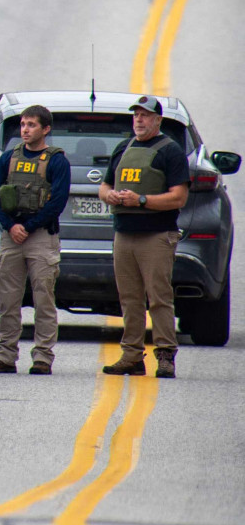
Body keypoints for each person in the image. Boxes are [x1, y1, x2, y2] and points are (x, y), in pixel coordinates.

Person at [100, 95, 190, 379]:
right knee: (129, 298)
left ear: (157, 120)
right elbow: (104, 186)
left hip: (156, 235)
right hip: (124, 234)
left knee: (159, 298)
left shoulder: (170, 151)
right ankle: (131, 356)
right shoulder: (123, 148)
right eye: (136, 115)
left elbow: (179, 197)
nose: (139, 120)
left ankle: (165, 356)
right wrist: (110, 195)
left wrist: (140, 200)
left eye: (145, 115)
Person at [0, 105, 71, 375]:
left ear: (45, 129)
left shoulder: (57, 161)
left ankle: (43, 356)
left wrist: (28, 226)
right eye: (22, 124)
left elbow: (57, 202)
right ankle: (5, 355)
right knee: (8, 300)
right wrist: (10, 227)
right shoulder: (9, 158)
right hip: (12, 237)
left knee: (43, 298)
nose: (25, 129)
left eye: (31, 125)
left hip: (40, 237)